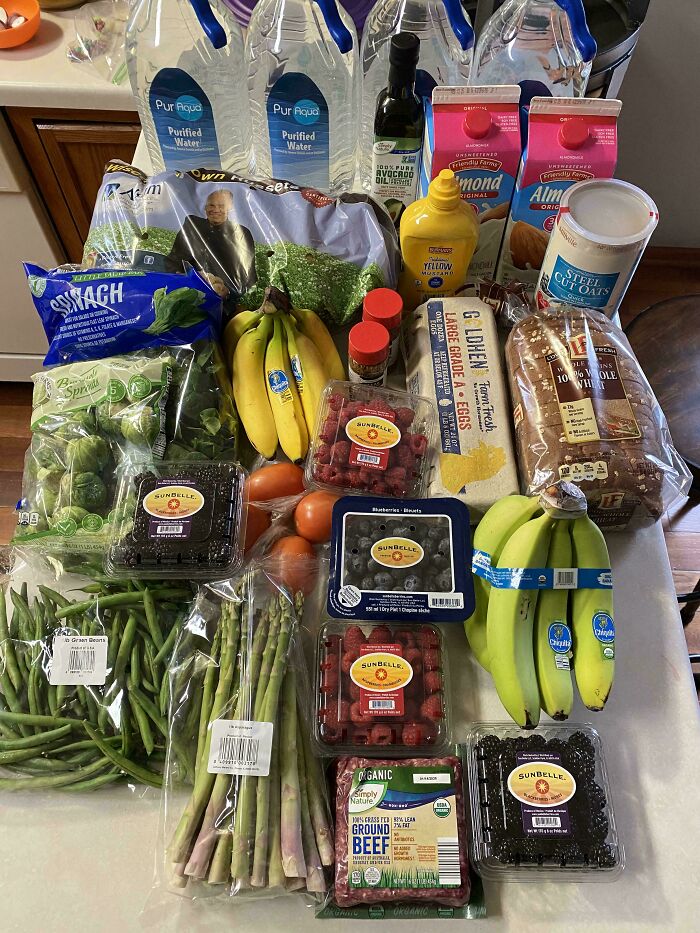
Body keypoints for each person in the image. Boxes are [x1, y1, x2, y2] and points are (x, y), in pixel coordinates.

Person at [165, 189, 256, 300]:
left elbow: (248, 275)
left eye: (221, 206)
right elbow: (173, 260)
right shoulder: (192, 226)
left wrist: (227, 292)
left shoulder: (241, 233)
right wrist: (182, 278)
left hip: (223, 298)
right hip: (187, 292)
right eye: (211, 205)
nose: (216, 210)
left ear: (230, 207)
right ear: (205, 207)